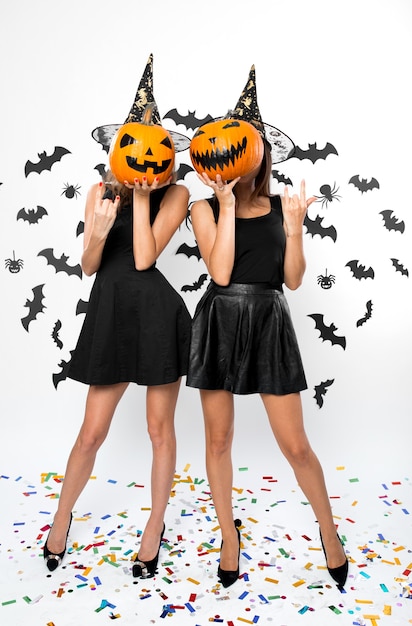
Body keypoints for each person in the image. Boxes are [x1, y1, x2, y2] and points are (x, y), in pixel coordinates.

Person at [186, 66, 348, 589]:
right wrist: (228, 206)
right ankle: (229, 537)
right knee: (219, 441)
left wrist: (296, 230)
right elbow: (220, 272)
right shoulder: (202, 208)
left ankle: (329, 531)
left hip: (269, 320)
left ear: (257, 154)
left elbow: (294, 282)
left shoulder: (283, 206)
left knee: (296, 445)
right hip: (220, 319)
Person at [43, 55, 192, 580]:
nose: (147, 156)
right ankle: (61, 518)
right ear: (118, 149)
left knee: (159, 429)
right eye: (136, 147)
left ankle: (155, 524)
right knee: (91, 433)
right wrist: (101, 229)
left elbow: (148, 258)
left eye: (158, 148)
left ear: (168, 155)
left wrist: (146, 200)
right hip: (110, 312)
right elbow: (89, 267)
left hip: (156, 314)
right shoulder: (99, 192)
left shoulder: (177, 193)